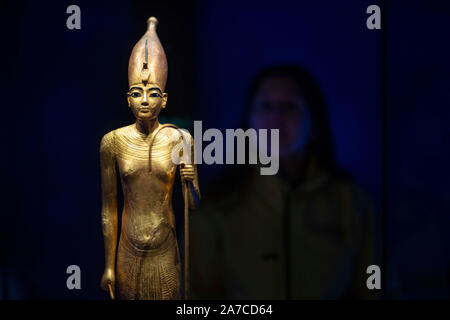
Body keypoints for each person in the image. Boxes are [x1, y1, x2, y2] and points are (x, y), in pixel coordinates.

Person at [191, 65, 376, 299]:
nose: (276, 117)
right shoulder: (216, 204)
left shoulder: (350, 202)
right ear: (249, 119)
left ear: (315, 120)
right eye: (266, 106)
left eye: (290, 106)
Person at [99, 17, 200, 300]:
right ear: (127, 99)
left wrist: (190, 182)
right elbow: (109, 209)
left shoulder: (180, 139)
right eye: (137, 93)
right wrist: (108, 265)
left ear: (164, 100)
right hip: (127, 253)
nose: (144, 100)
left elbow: (193, 206)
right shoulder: (112, 142)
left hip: (165, 251)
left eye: (152, 93)